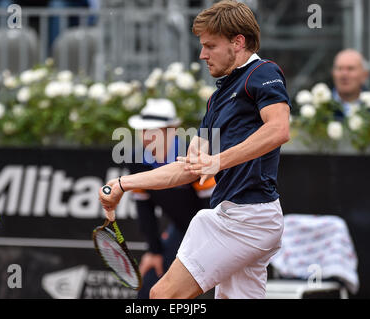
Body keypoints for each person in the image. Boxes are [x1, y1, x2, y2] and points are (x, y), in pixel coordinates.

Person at [99, 0, 291, 299]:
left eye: (210, 46)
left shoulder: (263, 72)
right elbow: (187, 168)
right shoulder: (218, 98)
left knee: (162, 296)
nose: (202, 54)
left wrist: (218, 161)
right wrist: (123, 184)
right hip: (237, 216)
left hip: (248, 218)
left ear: (238, 42)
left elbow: (278, 130)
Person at [125, 98, 214, 299]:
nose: (147, 137)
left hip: (211, 232)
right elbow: (144, 209)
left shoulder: (193, 157)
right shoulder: (137, 161)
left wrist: (199, 252)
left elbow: (211, 208)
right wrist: (155, 251)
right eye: (144, 130)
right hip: (181, 231)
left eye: (154, 130)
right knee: (149, 288)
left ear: (171, 130)